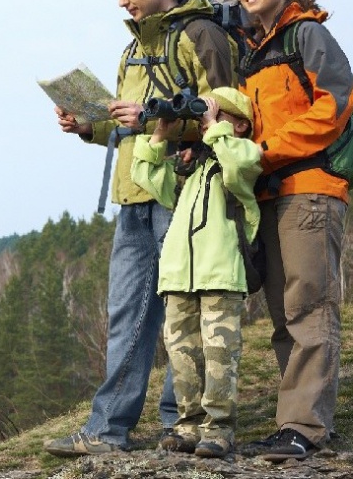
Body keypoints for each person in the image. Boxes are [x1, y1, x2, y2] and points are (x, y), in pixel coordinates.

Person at [43, 0, 239, 456]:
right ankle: (116, 429)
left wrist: (152, 119)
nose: (121, 2)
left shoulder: (203, 36)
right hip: (133, 194)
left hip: (183, 192)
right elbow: (123, 120)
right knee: (127, 315)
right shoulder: (131, 48)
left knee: (180, 314)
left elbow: (232, 119)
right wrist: (88, 125)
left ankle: (176, 425)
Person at [222, 0, 353, 461]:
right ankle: (294, 425)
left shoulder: (309, 35)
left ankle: (305, 427)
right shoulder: (255, 51)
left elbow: (335, 102)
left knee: (308, 308)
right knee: (283, 313)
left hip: (309, 188)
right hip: (271, 194)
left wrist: (267, 150)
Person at [130, 87, 261, 458]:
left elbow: (237, 164)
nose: (208, 125)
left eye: (219, 117)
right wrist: (161, 133)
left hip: (221, 276)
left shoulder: (244, 158)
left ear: (240, 125)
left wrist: (214, 127)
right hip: (178, 278)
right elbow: (145, 175)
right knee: (183, 354)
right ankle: (188, 426)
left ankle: (219, 429)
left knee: (220, 354)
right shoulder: (192, 169)